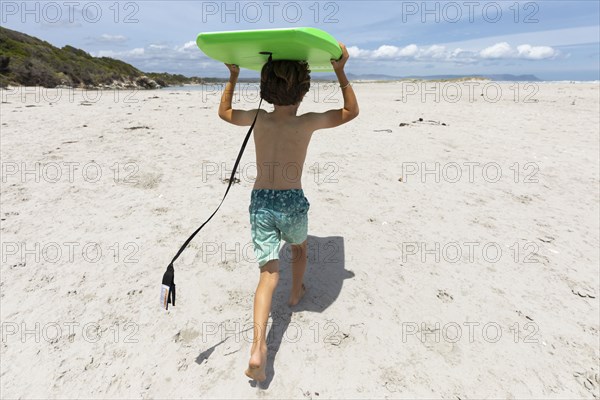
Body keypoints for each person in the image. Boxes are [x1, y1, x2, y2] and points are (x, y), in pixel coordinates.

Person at [218, 43, 359, 382]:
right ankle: (296, 293)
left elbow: (224, 112)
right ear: (303, 92)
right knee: (299, 247)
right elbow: (350, 112)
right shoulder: (308, 122)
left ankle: (257, 347)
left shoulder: (257, 118)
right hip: (291, 200)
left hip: (261, 202)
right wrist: (340, 71)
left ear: (265, 90)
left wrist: (233, 76)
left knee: (267, 275)